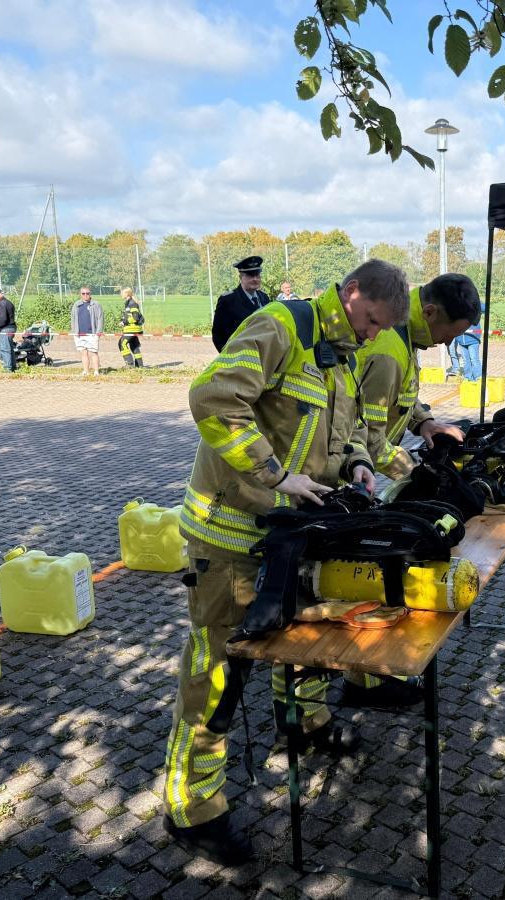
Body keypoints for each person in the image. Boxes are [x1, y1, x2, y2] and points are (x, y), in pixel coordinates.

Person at [163, 258, 410, 867]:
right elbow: (213, 398)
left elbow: (342, 431)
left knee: (302, 637)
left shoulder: (343, 349)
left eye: (382, 329)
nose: (374, 336)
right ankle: (192, 808)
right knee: (217, 676)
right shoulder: (282, 327)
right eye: (372, 321)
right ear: (351, 294)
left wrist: (356, 462)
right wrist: (276, 475)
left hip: (292, 534)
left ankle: (305, 724)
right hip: (230, 537)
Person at [346, 273, 480, 707]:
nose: (446, 343)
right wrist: (414, 471)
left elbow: (403, 400)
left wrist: (425, 421)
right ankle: (323, 707)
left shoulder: (405, 340)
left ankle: (359, 679)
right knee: (346, 578)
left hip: (354, 467)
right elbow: (366, 434)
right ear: (430, 312)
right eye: (449, 333)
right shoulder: (388, 349)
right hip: (344, 474)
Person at [211, 255, 269, 350]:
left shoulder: (264, 298)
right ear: (240, 277)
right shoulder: (228, 300)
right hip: (239, 357)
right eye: (250, 275)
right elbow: (218, 335)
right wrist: (229, 357)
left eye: (257, 275)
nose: (255, 279)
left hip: (264, 355)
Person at [70, 286, 104, 376]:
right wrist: (74, 331)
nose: (85, 295)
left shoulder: (96, 304)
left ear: (90, 294)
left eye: (87, 293)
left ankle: (96, 371)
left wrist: (98, 332)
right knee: (84, 353)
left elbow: (100, 318)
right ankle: (86, 371)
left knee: (94, 352)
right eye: (83, 293)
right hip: (80, 334)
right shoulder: (76, 305)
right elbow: (73, 319)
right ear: (80, 294)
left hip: (92, 333)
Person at [118, 287, 145, 368]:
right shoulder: (128, 302)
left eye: (122, 293)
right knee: (134, 346)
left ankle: (129, 364)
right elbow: (129, 315)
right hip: (133, 329)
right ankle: (139, 366)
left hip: (131, 329)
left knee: (122, 344)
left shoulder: (132, 303)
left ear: (127, 294)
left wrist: (124, 322)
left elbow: (135, 317)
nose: (121, 294)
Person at [0, 287, 16, 372]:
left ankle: (8, 368)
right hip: (11, 327)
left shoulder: (2, 303)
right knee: (9, 348)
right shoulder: (6, 302)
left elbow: (3, 319)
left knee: (5, 348)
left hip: (6, 329)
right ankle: (13, 366)